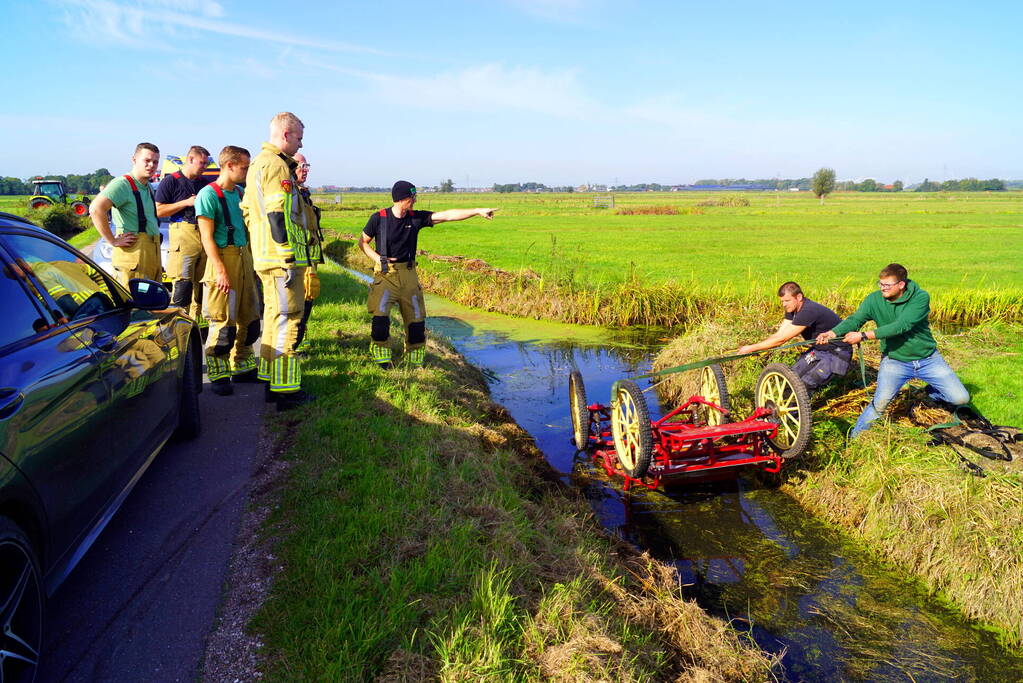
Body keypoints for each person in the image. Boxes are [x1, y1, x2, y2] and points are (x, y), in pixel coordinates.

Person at [816, 263, 970, 437]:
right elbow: (855, 319)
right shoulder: (874, 300)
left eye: (887, 285)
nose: (882, 288)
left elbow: (902, 325)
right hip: (895, 360)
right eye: (880, 284)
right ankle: (853, 440)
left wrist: (864, 336)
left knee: (961, 398)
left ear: (901, 285)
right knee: (879, 405)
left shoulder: (920, 298)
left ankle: (929, 394)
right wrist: (832, 332)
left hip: (928, 359)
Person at [359, 181, 497, 368]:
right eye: (412, 197)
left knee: (416, 323)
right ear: (400, 199)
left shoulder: (416, 217)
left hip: (409, 275)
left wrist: (478, 211)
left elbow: (447, 215)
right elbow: (363, 242)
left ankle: (414, 360)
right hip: (385, 276)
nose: (415, 200)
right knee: (380, 319)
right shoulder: (379, 218)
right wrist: (377, 258)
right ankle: (382, 357)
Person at [240, 112, 314, 410]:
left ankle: (271, 379)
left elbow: (248, 210)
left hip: (265, 256)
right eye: (298, 137)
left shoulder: (258, 163)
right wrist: (287, 252)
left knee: (273, 316)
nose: (300, 142)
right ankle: (286, 392)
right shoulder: (277, 165)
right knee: (288, 318)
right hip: (282, 259)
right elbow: (276, 212)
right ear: (285, 134)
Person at [195, 146, 260, 396]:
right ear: (229, 165)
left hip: (244, 258)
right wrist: (220, 270)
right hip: (223, 259)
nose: (246, 171)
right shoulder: (208, 195)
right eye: (244, 167)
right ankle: (219, 373)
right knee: (222, 322)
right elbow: (207, 238)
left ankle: (242, 366)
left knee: (250, 317)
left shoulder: (241, 193)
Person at [738, 281, 852, 391]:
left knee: (805, 384)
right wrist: (757, 347)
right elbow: (780, 334)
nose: (784, 304)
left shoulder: (808, 310)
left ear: (799, 297)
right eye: (782, 301)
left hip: (837, 352)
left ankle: (799, 410)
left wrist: (751, 348)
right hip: (818, 349)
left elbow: (782, 340)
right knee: (791, 379)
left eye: (787, 300)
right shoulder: (791, 309)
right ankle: (782, 409)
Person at [89, 142, 162, 286]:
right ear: (134, 160)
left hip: (151, 250)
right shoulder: (123, 184)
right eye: (147, 160)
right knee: (133, 301)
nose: (151, 165)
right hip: (134, 253)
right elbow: (96, 209)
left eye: (155, 162)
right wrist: (112, 241)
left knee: (150, 301)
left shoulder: (148, 187)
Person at [156, 145, 213, 325]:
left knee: (203, 286)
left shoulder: (204, 184)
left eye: (206, 164)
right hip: (183, 233)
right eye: (202, 163)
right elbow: (159, 211)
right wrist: (186, 202)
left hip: (203, 234)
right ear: (190, 159)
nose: (204, 167)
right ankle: (177, 328)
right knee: (183, 286)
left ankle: (198, 329)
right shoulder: (170, 182)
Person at [293, 152, 323, 353]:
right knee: (296, 306)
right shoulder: (289, 194)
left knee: (308, 299)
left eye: (306, 166)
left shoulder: (303, 193)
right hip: (296, 261)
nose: (305, 170)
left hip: (309, 259)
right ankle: (293, 344)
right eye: (301, 166)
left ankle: (300, 338)